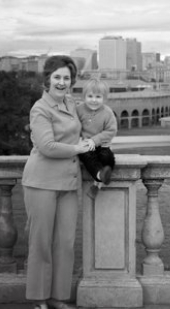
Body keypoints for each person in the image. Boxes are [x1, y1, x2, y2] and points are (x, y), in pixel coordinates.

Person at [22, 55, 92, 309]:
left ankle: (57, 297)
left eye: (67, 78)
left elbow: (93, 121)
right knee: (41, 243)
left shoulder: (71, 103)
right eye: (57, 77)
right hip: (41, 182)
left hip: (68, 183)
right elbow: (47, 146)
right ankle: (39, 299)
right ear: (48, 79)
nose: (62, 82)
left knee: (65, 244)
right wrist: (77, 149)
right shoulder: (40, 108)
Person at [76, 79, 118, 197]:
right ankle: (99, 176)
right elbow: (73, 126)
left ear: (104, 98)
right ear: (84, 96)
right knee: (88, 158)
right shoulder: (79, 110)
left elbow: (111, 131)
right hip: (85, 146)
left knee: (107, 157)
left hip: (102, 145)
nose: (94, 100)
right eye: (90, 96)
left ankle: (98, 183)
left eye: (98, 97)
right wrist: (78, 139)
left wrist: (95, 140)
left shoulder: (107, 112)